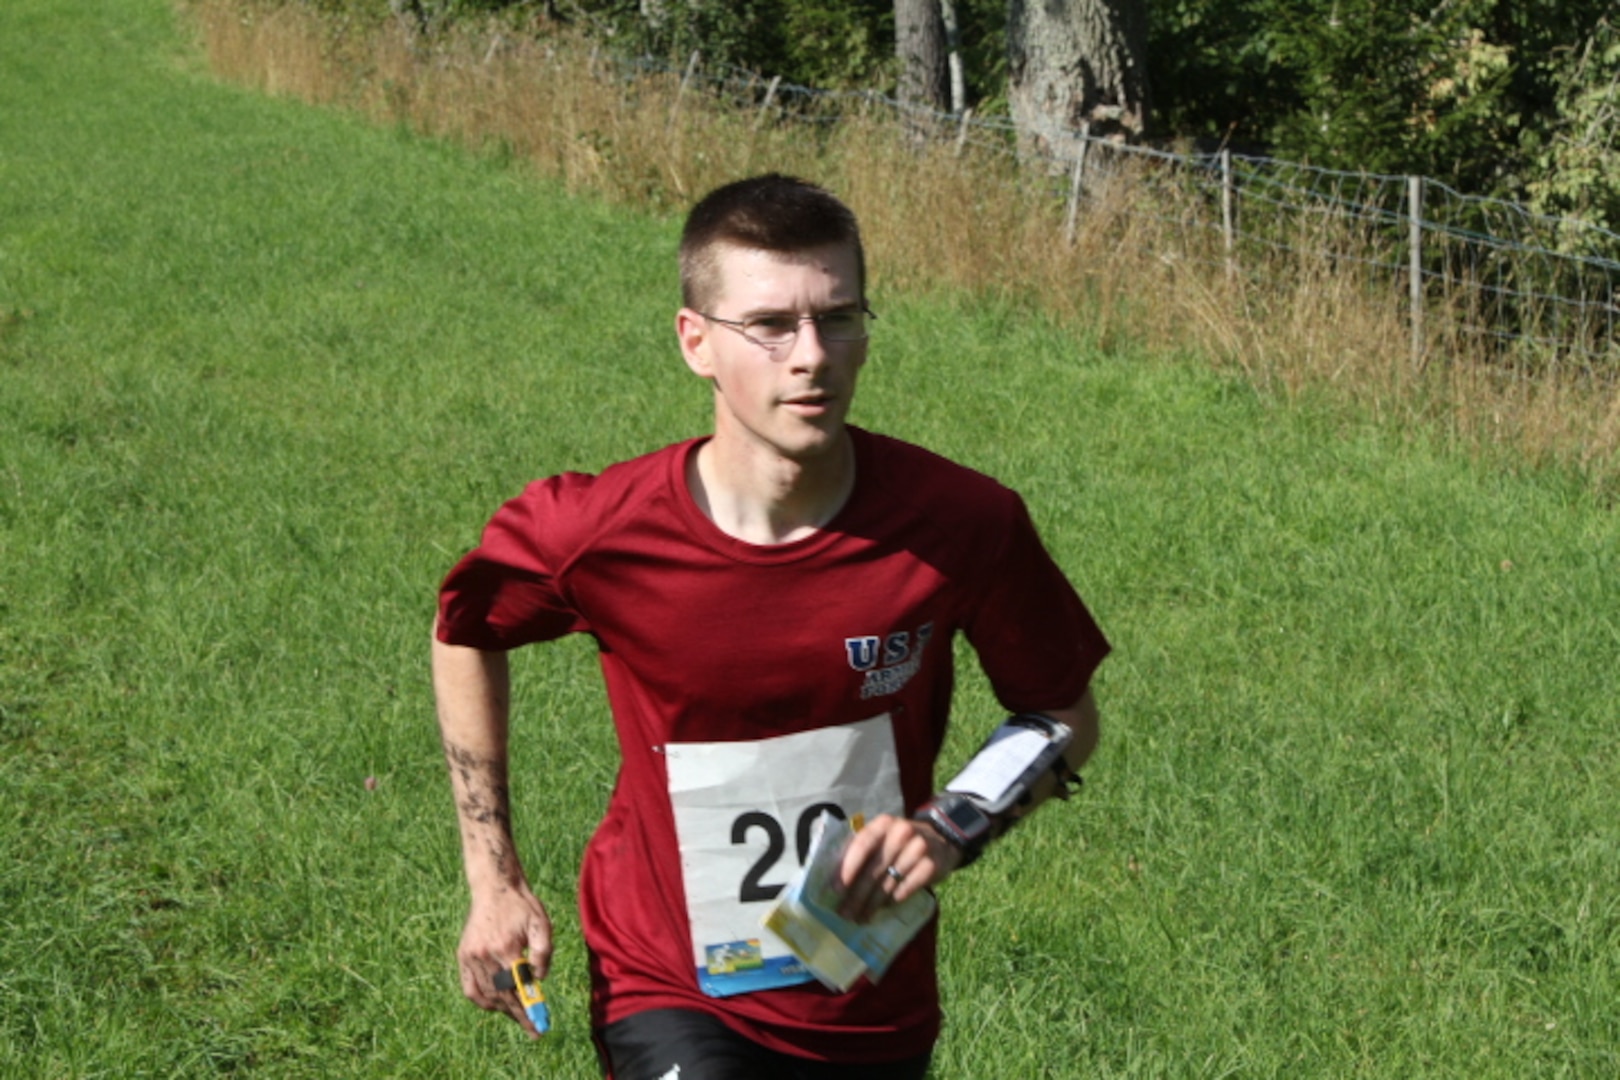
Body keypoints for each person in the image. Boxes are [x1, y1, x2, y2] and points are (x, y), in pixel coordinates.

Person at [431, 173, 1110, 1079]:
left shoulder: (961, 525)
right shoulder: (599, 531)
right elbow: (467, 628)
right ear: (696, 342)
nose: (812, 355)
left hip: (865, 991)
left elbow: (1061, 712)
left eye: (838, 317)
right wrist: (495, 876)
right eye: (771, 326)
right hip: (665, 982)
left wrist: (949, 827)